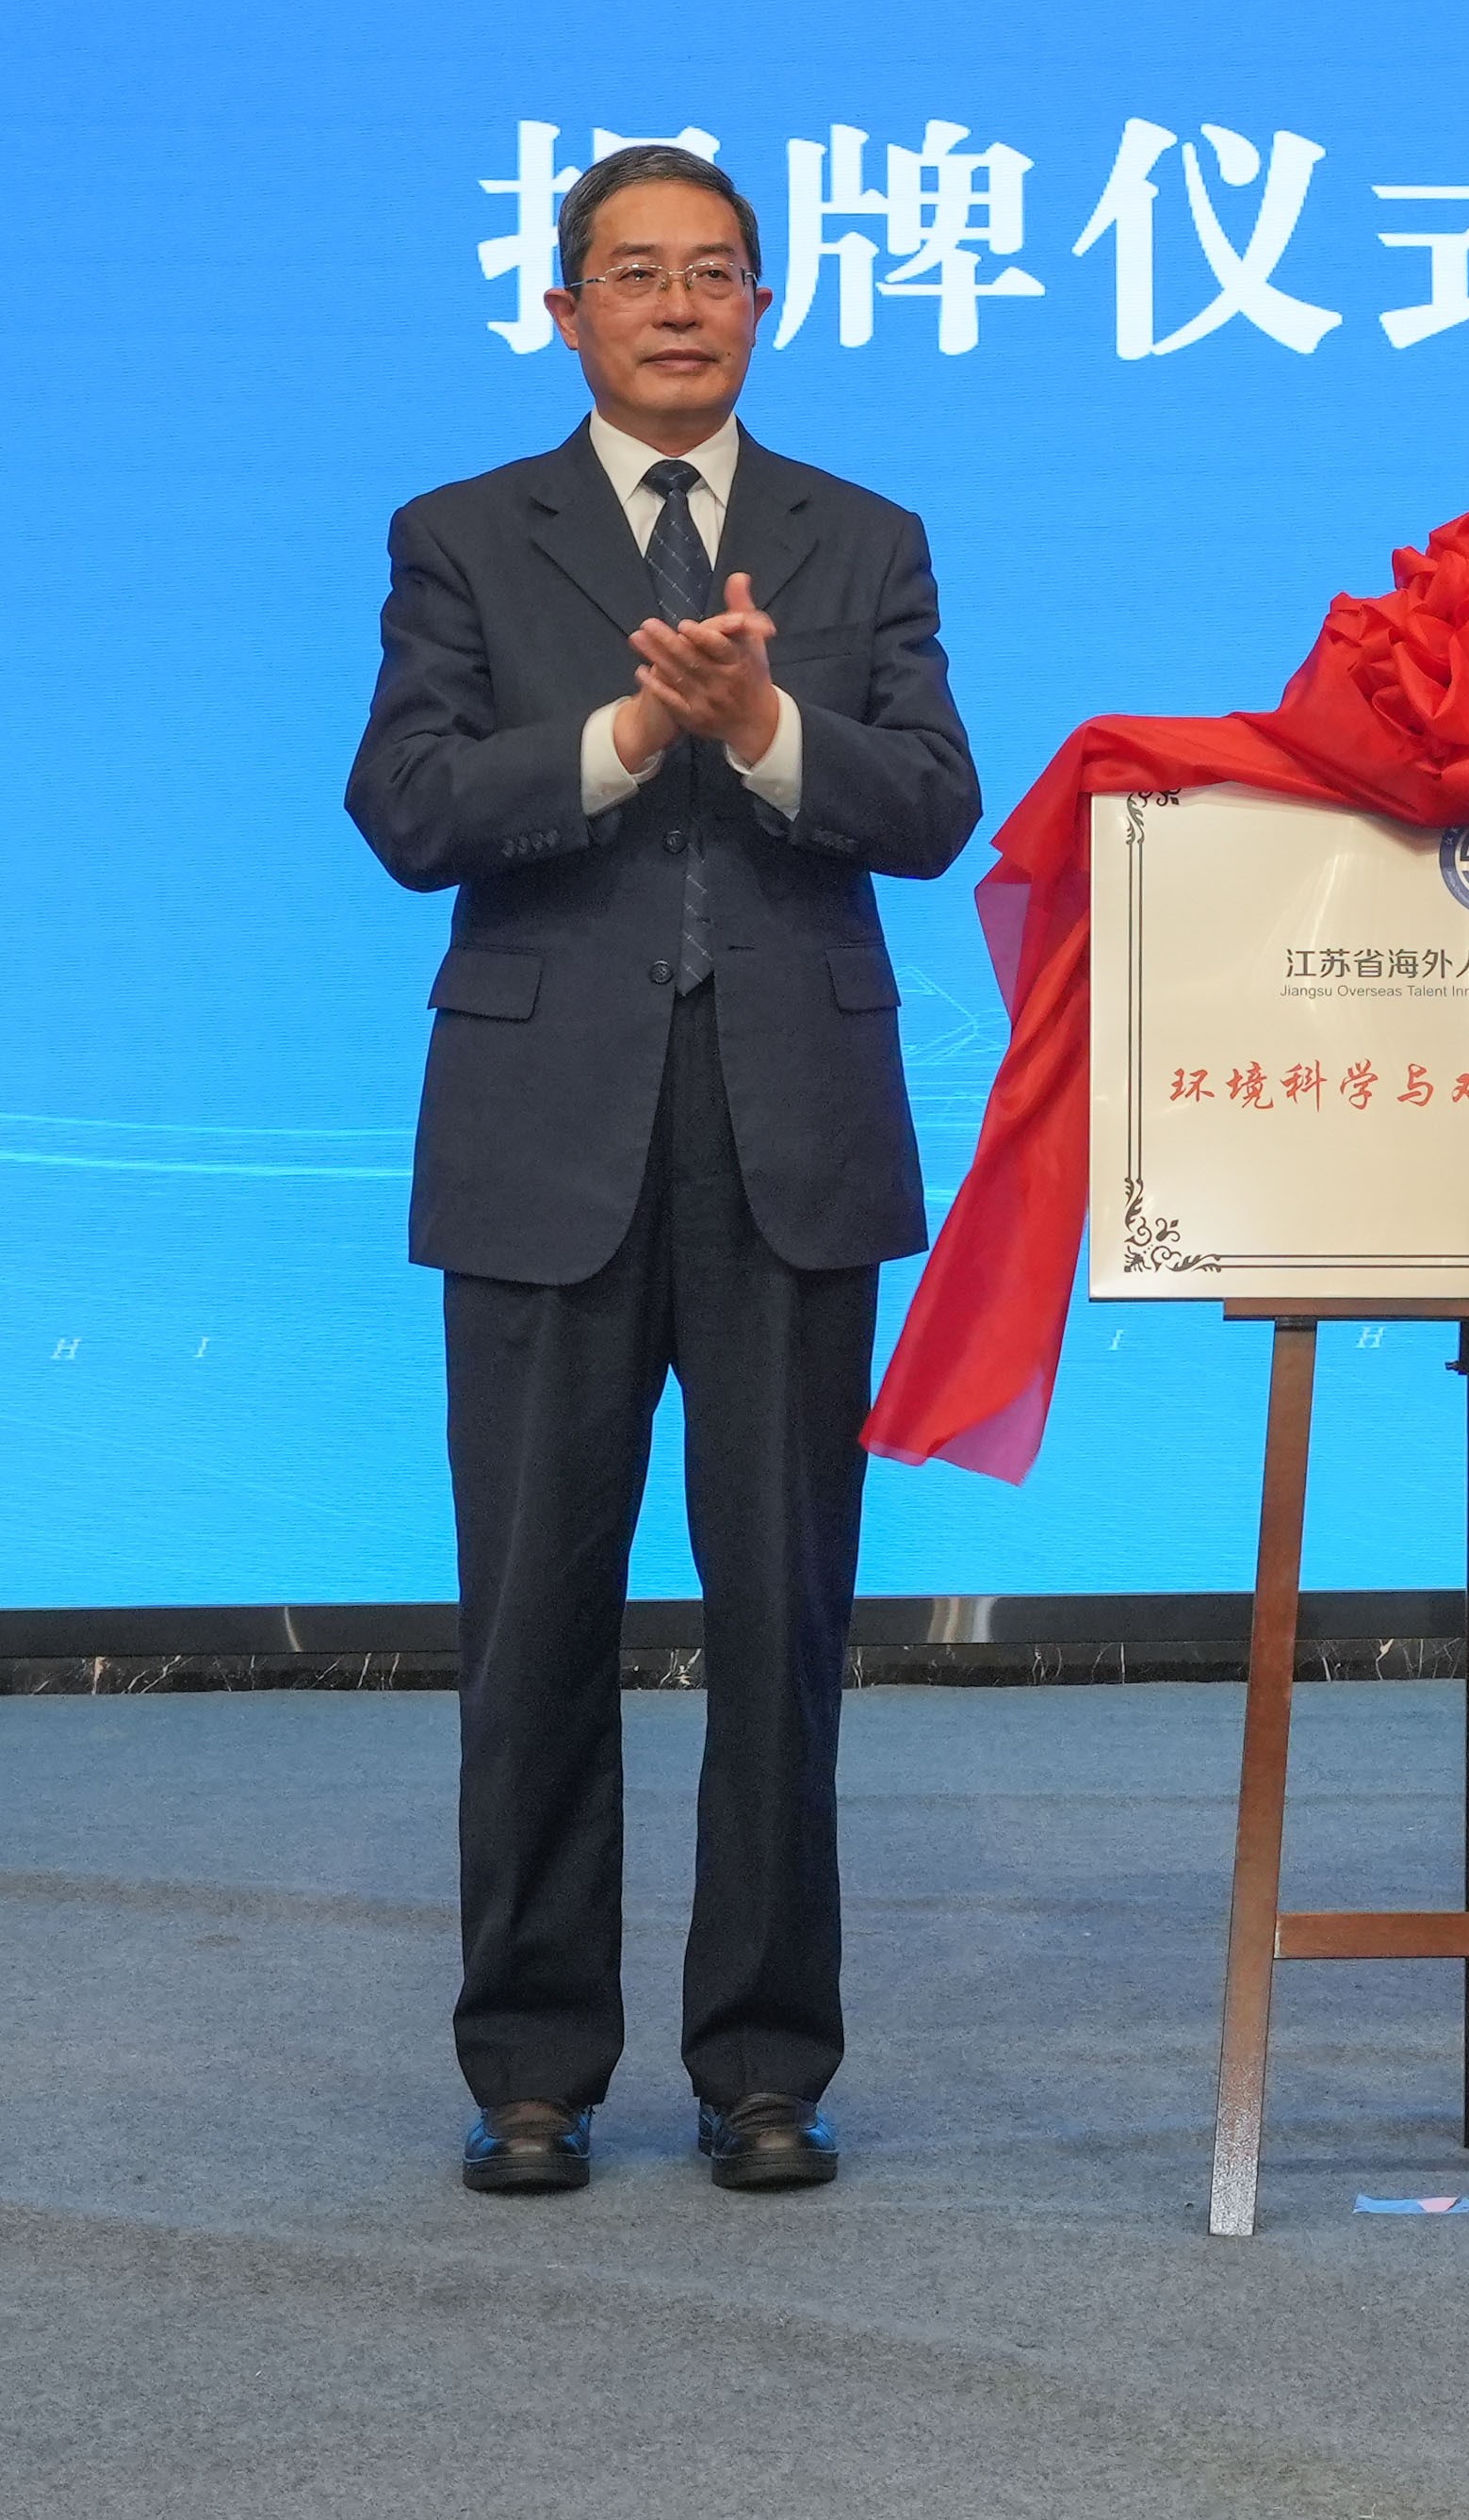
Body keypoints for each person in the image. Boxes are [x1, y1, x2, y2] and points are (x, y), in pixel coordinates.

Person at [342, 140, 982, 2198]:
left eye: (715, 272)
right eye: (635, 273)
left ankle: (764, 2068)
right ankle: (533, 2066)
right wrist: (627, 740)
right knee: (533, 1616)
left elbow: (933, 806)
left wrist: (766, 723)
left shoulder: (860, 537)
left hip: (789, 1138)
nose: (679, 305)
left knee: (784, 1622)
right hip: (545, 1142)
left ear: (764, 306)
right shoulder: (461, 534)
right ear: (565, 310)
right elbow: (406, 807)